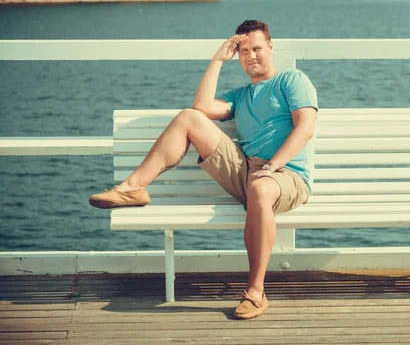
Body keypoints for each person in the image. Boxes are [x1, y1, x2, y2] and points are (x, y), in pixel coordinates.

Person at [89, 20, 318, 320]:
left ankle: (255, 292)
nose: (251, 56)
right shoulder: (240, 96)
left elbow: (305, 129)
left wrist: (273, 167)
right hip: (247, 171)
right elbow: (201, 106)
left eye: (258, 48)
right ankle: (133, 188)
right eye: (244, 50)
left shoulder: (291, 80)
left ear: (271, 48)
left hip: (286, 174)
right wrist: (217, 59)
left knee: (261, 188)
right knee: (188, 117)